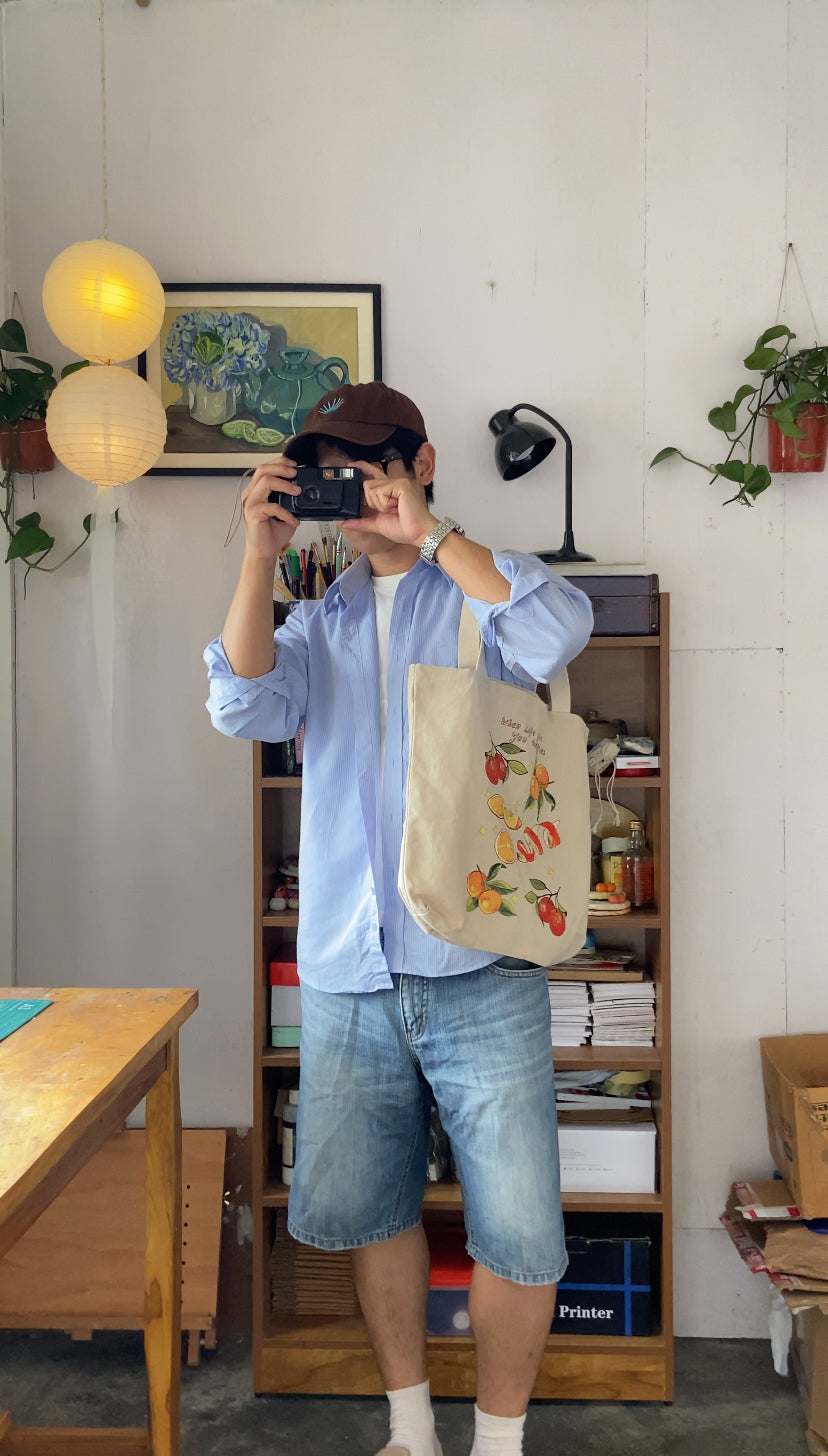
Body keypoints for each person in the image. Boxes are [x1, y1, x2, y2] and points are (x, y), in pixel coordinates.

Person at [204, 382, 593, 1456]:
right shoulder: (318, 617)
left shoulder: (480, 590)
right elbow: (242, 703)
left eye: (374, 462)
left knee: (519, 1233)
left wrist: (437, 537)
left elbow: (562, 626)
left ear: (421, 462)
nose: (356, 487)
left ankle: (500, 1446)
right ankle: (412, 1431)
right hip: (345, 971)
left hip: (477, 962)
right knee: (374, 1210)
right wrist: (256, 554)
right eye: (334, 467)